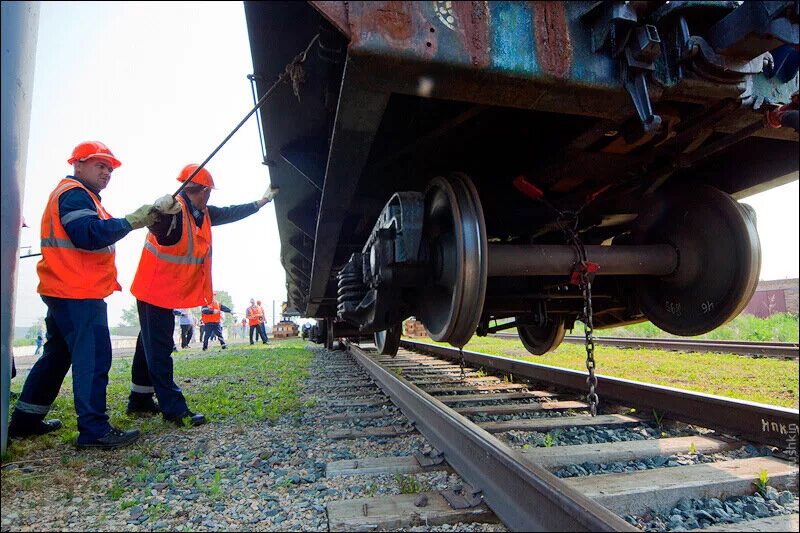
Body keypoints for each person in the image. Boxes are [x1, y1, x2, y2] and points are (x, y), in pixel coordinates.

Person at [8, 141, 164, 449]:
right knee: (92, 357)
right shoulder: (75, 193)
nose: (106, 172)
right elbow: (88, 235)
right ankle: (94, 430)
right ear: (78, 164)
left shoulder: (81, 195)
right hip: (77, 291)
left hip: (64, 288)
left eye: (109, 168)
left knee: (57, 355)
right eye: (100, 165)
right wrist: (134, 220)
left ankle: (26, 419)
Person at [125, 163, 277, 426]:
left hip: (165, 290)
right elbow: (160, 224)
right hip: (153, 289)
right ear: (201, 190)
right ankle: (174, 410)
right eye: (203, 192)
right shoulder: (173, 211)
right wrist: (159, 212)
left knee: (147, 342)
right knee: (159, 348)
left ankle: (139, 400)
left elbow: (231, 212)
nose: (206, 197)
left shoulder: (203, 214)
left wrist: (260, 203)